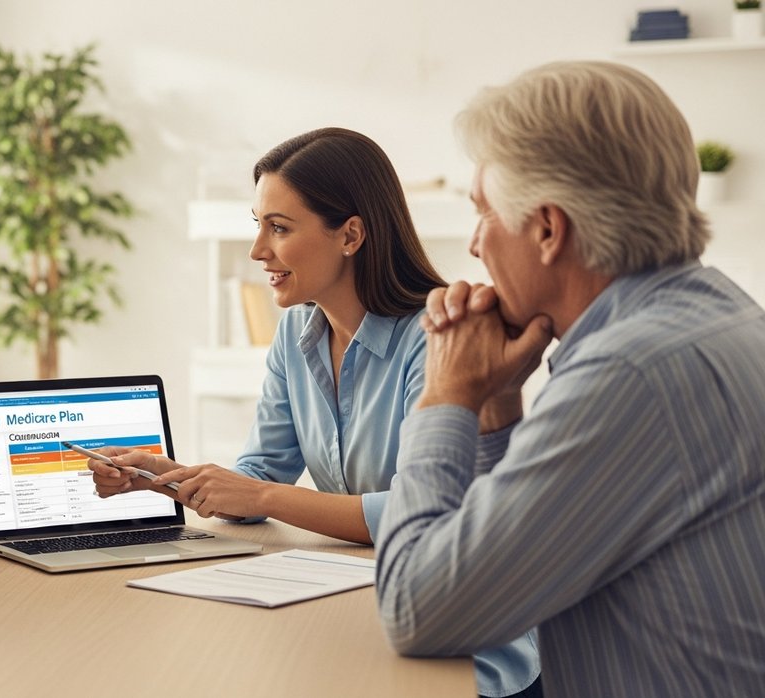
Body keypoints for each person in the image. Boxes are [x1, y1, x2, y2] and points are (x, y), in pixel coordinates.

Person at [90, 128, 541, 698]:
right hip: (368, 611)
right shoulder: (296, 336)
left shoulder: (441, 337)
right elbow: (260, 474)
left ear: (351, 234)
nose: (258, 251)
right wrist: (162, 476)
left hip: (466, 649)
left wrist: (262, 497)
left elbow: (421, 512)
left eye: (278, 228)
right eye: (257, 224)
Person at [375, 61, 765, 696]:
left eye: (484, 214)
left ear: (549, 229)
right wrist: (498, 402)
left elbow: (420, 609)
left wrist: (446, 394)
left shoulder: (634, 372)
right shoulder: (709, 314)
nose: (474, 246)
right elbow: (508, 560)